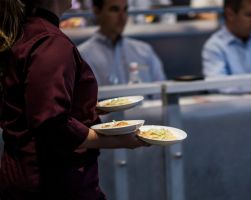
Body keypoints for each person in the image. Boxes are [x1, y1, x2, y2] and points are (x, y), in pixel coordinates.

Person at [0, 0, 148, 199]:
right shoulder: (49, 42)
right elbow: (51, 121)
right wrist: (118, 140)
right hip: (52, 183)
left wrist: (85, 108)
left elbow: (35, 104)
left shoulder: (28, 32)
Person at [78, 0, 166, 86]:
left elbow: (161, 92)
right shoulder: (83, 56)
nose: (122, 17)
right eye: (114, 9)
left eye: (125, 9)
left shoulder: (144, 51)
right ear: (97, 12)